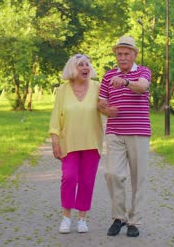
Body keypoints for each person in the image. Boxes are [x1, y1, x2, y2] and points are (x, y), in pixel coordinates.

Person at [97, 35, 152, 237]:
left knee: (139, 178)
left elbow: (142, 87)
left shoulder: (143, 72)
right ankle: (118, 218)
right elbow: (101, 102)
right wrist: (105, 110)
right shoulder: (108, 76)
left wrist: (126, 82)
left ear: (134, 54)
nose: (122, 57)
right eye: (119, 54)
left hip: (139, 132)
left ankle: (134, 221)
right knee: (112, 174)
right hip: (115, 132)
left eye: (126, 53)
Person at [49, 54, 103, 234]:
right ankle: (66, 217)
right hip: (68, 142)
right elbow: (56, 116)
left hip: (91, 142)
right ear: (73, 69)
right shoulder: (63, 90)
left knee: (87, 181)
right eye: (80, 65)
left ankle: (82, 219)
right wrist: (55, 139)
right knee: (69, 177)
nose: (85, 68)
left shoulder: (97, 87)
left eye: (87, 65)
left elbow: (107, 107)